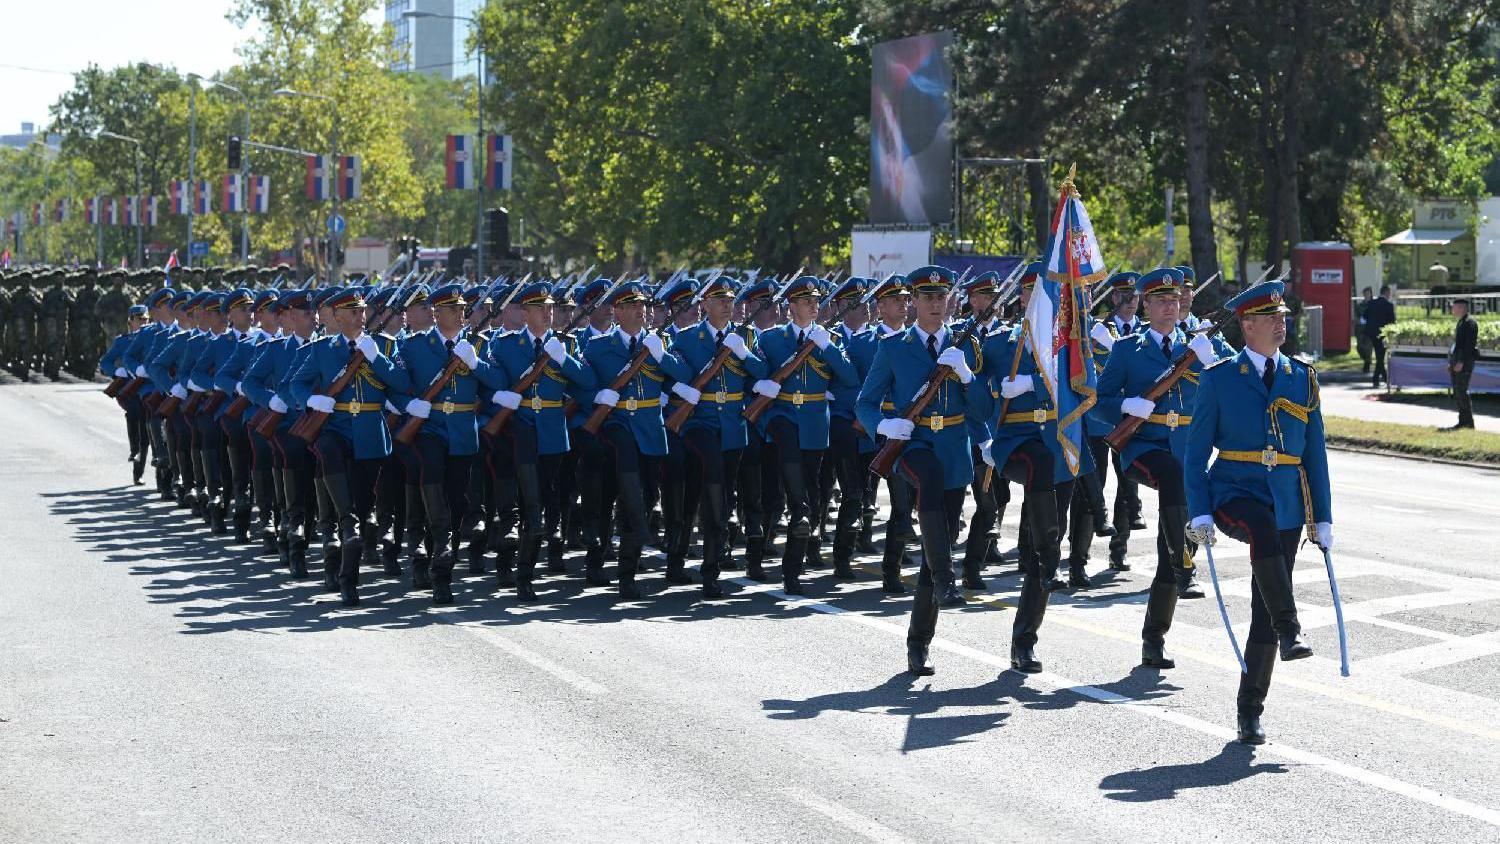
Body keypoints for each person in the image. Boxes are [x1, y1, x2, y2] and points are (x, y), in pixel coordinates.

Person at [1184, 279, 1328, 745]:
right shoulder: (1220, 377)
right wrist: (1200, 513)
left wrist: (1321, 517)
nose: (1282, 323)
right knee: (1262, 528)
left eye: (1283, 316)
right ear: (1248, 325)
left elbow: (1316, 455)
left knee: (1263, 609)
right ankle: (1292, 628)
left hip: (1285, 500)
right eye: (1272, 317)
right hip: (1234, 493)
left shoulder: (1301, 377)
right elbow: (1195, 453)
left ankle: (1250, 710)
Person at [855, 265, 990, 675]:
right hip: (913, 445)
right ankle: (948, 578)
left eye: (941, 296)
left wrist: (967, 376)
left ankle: (918, 643)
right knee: (928, 483)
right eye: (926, 296)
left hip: (954, 448)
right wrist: (884, 425)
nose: (935, 303)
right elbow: (864, 403)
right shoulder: (892, 348)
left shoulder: (967, 345)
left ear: (950, 300)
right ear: (912, 301)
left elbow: (983, 409)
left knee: (941, 545)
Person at [753, 275, 858, 596]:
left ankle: (792, 569)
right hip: (783, 418)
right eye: (807, 301)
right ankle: (776, 549)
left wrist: (828, 347)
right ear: (792, 306)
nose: (814, 306)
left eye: (816, 301)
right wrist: (762, 383)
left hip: (815, 423)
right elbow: (755, 374)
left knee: (811, 495)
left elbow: (850, 378)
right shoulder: (772, 340)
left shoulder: (830, 340)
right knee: (795, 495)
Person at [1447, 297, 1479, 430]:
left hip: (1464, 362)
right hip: (1457, 360)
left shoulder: (1470, 323)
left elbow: (1468, 346)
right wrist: (1452, 362)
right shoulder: (1461, 322)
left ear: (1461, 307)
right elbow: (1457, 345)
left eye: (1454, 307)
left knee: (1462, 391)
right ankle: (1462, 421)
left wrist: (1461, 362)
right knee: (1457, 391)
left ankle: (1468, 422)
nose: (1452, 310)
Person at [1365, 285, 1396, 388]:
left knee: (1379, 357)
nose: (1390, 295)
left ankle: (1383, 377)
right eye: (1389, 293)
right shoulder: (1389, 305)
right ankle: (1378, 379)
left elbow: (1365, 316)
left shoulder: (1371, 303)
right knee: (1380, 357)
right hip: (1383, 334)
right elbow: (1392, 322)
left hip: (1372, 334)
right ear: (1386, 292)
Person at [1355, 287, 1374, 373]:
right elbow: (1356, 316)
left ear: (1371, 294)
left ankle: (1367, 364)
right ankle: (1367, 360)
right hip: (1360, 328)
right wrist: (1357, 320)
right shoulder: (1360, 306)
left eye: (1368, 293)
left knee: (1368, 347)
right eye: (1365, 293)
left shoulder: (1374, 304)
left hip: (1370, 328)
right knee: (1360, 347)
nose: (1367, 295)